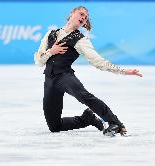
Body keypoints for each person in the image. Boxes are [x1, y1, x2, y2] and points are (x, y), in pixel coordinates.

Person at [34, 6, 142, 136]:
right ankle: (87, 118)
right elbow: (38, 61)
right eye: (81, 14)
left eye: (85, 18)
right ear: (72, 13)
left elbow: (98, 61)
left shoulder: (80, 40)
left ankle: (115, 123)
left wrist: (124, 71)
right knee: (54, 126)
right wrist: (51, 51)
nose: (83, 18)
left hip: (64, 76)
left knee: (84, 96)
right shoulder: (51, 33)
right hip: (49, 80)